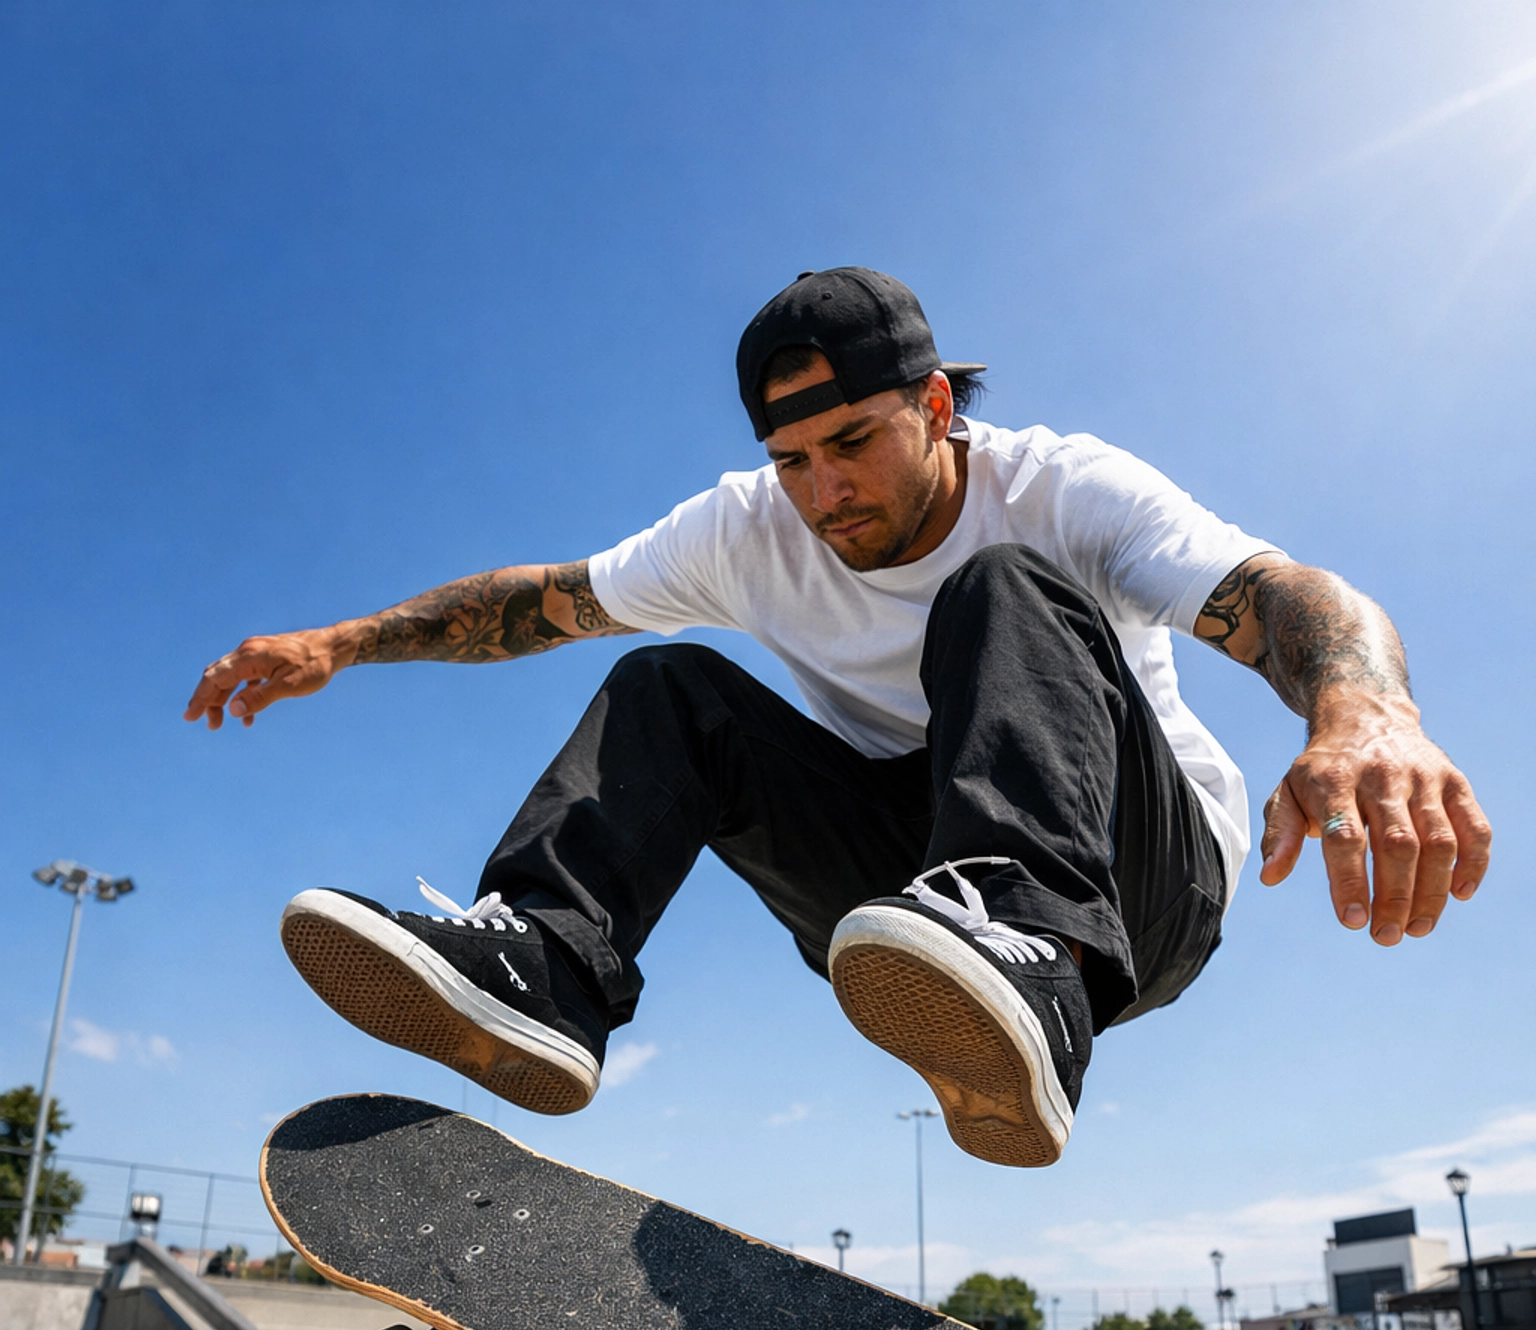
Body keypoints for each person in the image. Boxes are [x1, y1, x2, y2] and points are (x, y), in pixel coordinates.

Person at [185, 268, 1489, 1169]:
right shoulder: (746, 532)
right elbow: (547, 604)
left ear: (934, 407)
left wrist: (1362, 707)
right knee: (666, 685)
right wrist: (338, 645)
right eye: (792, 461)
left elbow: (1268, 595)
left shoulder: (1062, 489)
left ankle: (1034, 964)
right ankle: (549, 971)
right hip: (906, 893)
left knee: (1002, 589)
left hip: (1133, 894)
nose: (823, 494)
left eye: (854, 443)